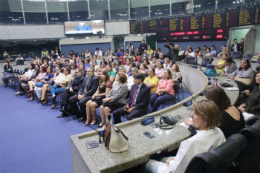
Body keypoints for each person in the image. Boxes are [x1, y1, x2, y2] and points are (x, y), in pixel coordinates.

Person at [144, 100, 225, 173]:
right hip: (201, 168)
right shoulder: (219, 132)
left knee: (146, 163)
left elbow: (176, 170)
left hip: (175, 170)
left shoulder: (192, 142)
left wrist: (170, 162)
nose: (191, 115)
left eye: (196, 114)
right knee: (162, 158)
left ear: (206, 120)